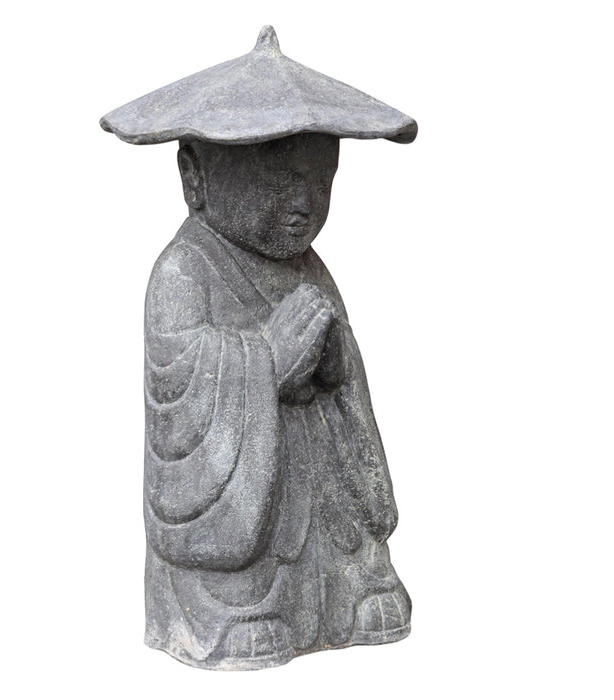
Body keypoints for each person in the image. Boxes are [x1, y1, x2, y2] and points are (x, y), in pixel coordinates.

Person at [101, 26, 417, 670]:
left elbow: (346, 383)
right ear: (195, 176)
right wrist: (263, 361)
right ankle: (238, 610)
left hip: (315, 488)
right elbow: (180, 393)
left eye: (320, 181)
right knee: (243, 582)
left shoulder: (311, 268)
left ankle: (350, 582)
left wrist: (334, 365)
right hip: (239, 521)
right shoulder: (183, 273)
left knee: (355, 551)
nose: (302, 204)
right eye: (277, 182)